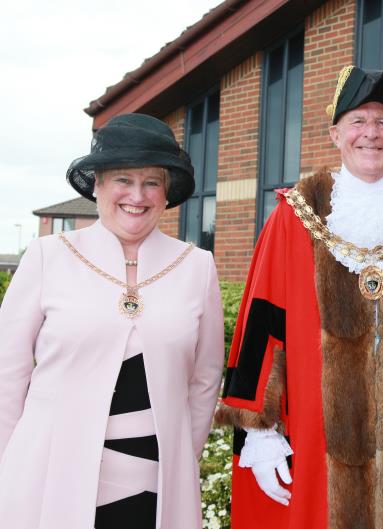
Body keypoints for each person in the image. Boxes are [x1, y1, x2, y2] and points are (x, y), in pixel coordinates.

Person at [214, 65, 383, 529]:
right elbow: (262, 326)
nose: (370, 134)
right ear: (335, 133)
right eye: (358, 121)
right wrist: (260, 435)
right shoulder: (293, 215)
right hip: (317, 437)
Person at [0, 113, 225, 529]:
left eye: (151, 182)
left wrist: (178, 458)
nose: (136, 196)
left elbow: (206, 378)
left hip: (157, 491)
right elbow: (7, 373)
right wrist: (9, 462)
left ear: (166, 192)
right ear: (98, 185)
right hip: (47, 480)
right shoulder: (48, 256)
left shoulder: (197, 266)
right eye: (123, 179)